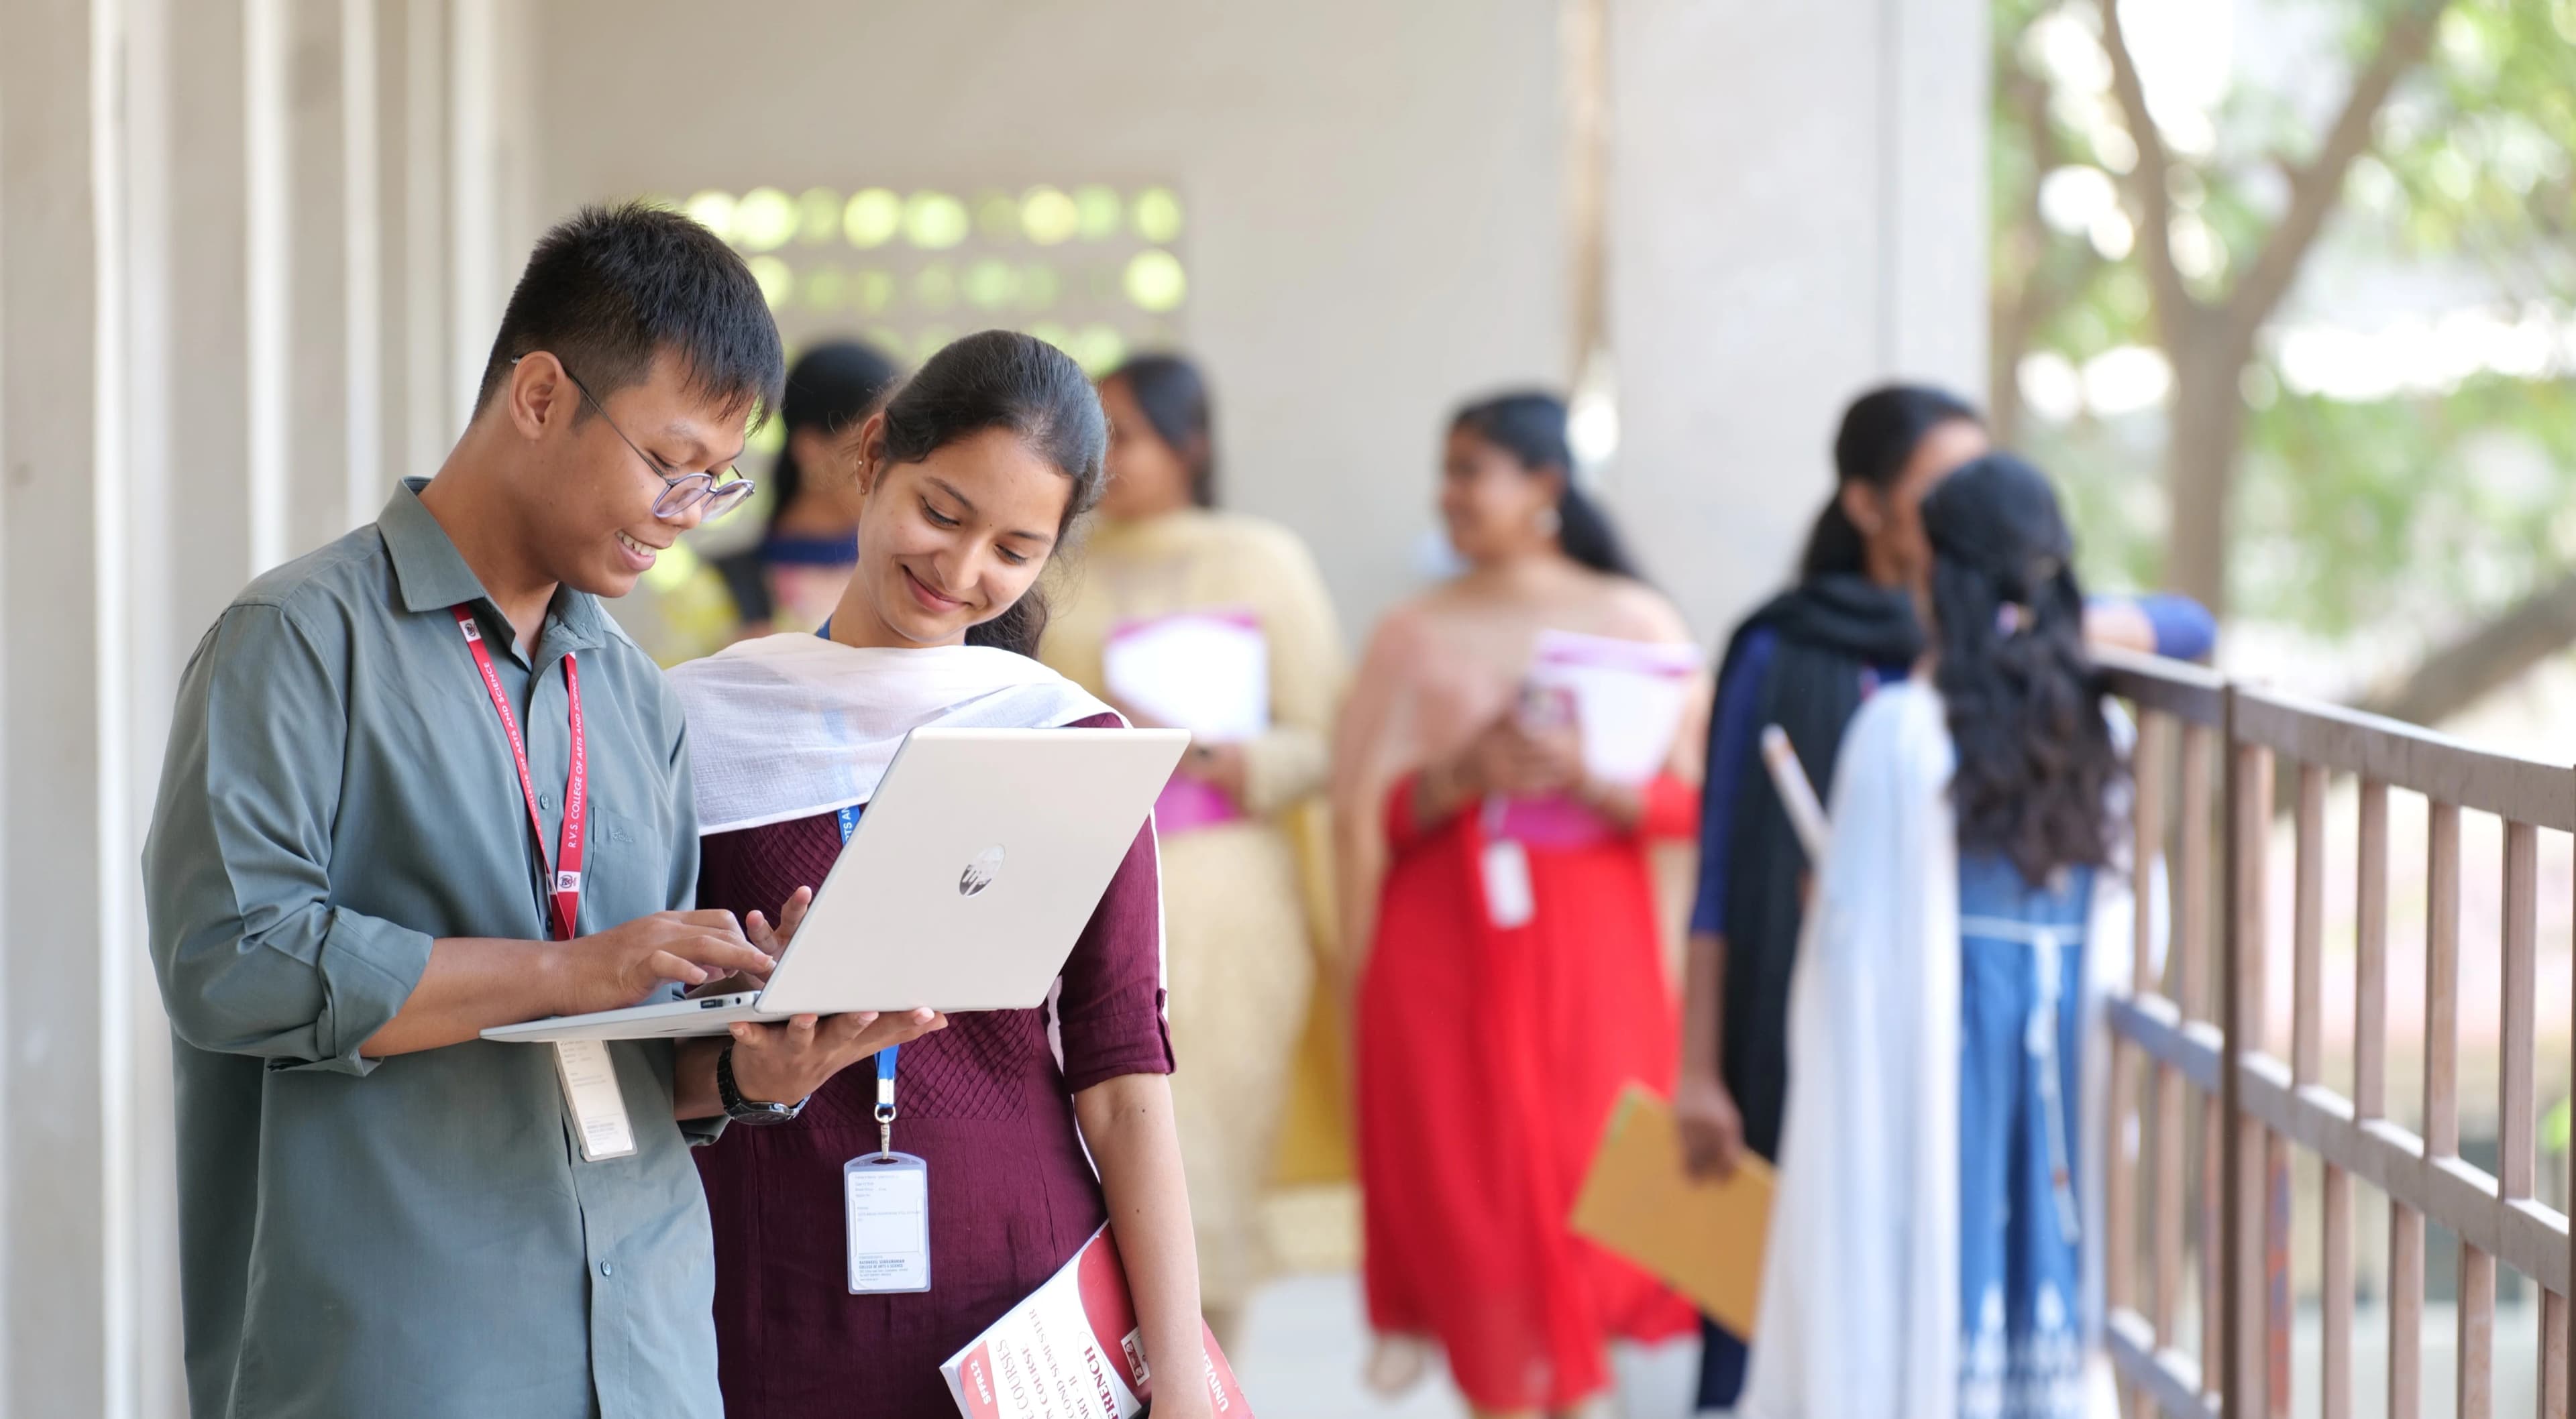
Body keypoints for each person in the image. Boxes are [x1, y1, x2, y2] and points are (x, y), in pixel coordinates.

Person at [140, 203, 940, 1419]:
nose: (686, 511)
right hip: (403, 1354)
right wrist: (565, 970)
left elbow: (618, 1052)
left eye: (715, 484)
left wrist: (750, 1066)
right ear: (539, 395)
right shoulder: (297, 640)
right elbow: (230, 966)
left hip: (648, 1347)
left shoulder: (630, 693)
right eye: (669, 465)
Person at [670, 330, 1215, 1419]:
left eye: (1015, 549)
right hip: (755, 1297)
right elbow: (639, 1038)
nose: (963, 574)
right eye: (944, 513)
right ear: (872, 456)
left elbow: (1123, 1079)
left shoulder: (1061, 741)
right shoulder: (693, 726)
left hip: (1018, 1311)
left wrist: (1185, 1380)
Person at [1675, 384, 2212, 1409]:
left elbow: (2191, 625)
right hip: (2002, 1047)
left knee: (1901, 1297)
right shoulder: (1790, 646)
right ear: (1871, 505)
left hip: (1909, 1055)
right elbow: (1719, 867)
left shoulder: (1924, 725)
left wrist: (2034, 624)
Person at [1739, 452, 2137, 1418]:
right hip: (2054, 1036)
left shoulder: (1905, 729)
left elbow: (1855, 942)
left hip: (1937, 1046)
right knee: (2044, 1266)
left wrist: (1825, 899)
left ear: (1938, 572)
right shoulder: (2100, 728)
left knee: (1924, 1270)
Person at [1332, 391, 1702, 1419]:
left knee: (1593, 1199)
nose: (1448, 495)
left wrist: (1594, 777)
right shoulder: (1411, 634)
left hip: (1597, 968)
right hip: (1441, 967)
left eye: (1471, 471)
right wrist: (1460, 775)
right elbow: (1368, 811)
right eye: (1444, 471)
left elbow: (1697, 804)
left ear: (1546, 485)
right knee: (1477, 1214)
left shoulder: (1634, 620)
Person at [1035, 352, 1344, 1344]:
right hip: (1084, 886)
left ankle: (1206, 1375)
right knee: (1084, 1145)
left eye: (1128, 433)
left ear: (1191, 442)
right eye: (1097, 434)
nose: (1110, 457)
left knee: (1204, 1148)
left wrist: (1209, 752)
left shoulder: (1261, 557)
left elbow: (1324, 738)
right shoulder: (1050, 556)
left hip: (1226, 896)